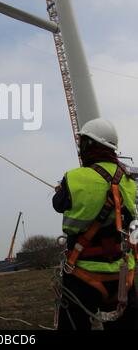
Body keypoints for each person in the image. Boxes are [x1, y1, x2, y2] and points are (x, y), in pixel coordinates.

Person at [53, 118, 138, 330]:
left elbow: (58, 204)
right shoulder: (129, 179)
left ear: (89, 146)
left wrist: (62, 189)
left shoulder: (75, 178)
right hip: (122, 275)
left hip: (83, 274)